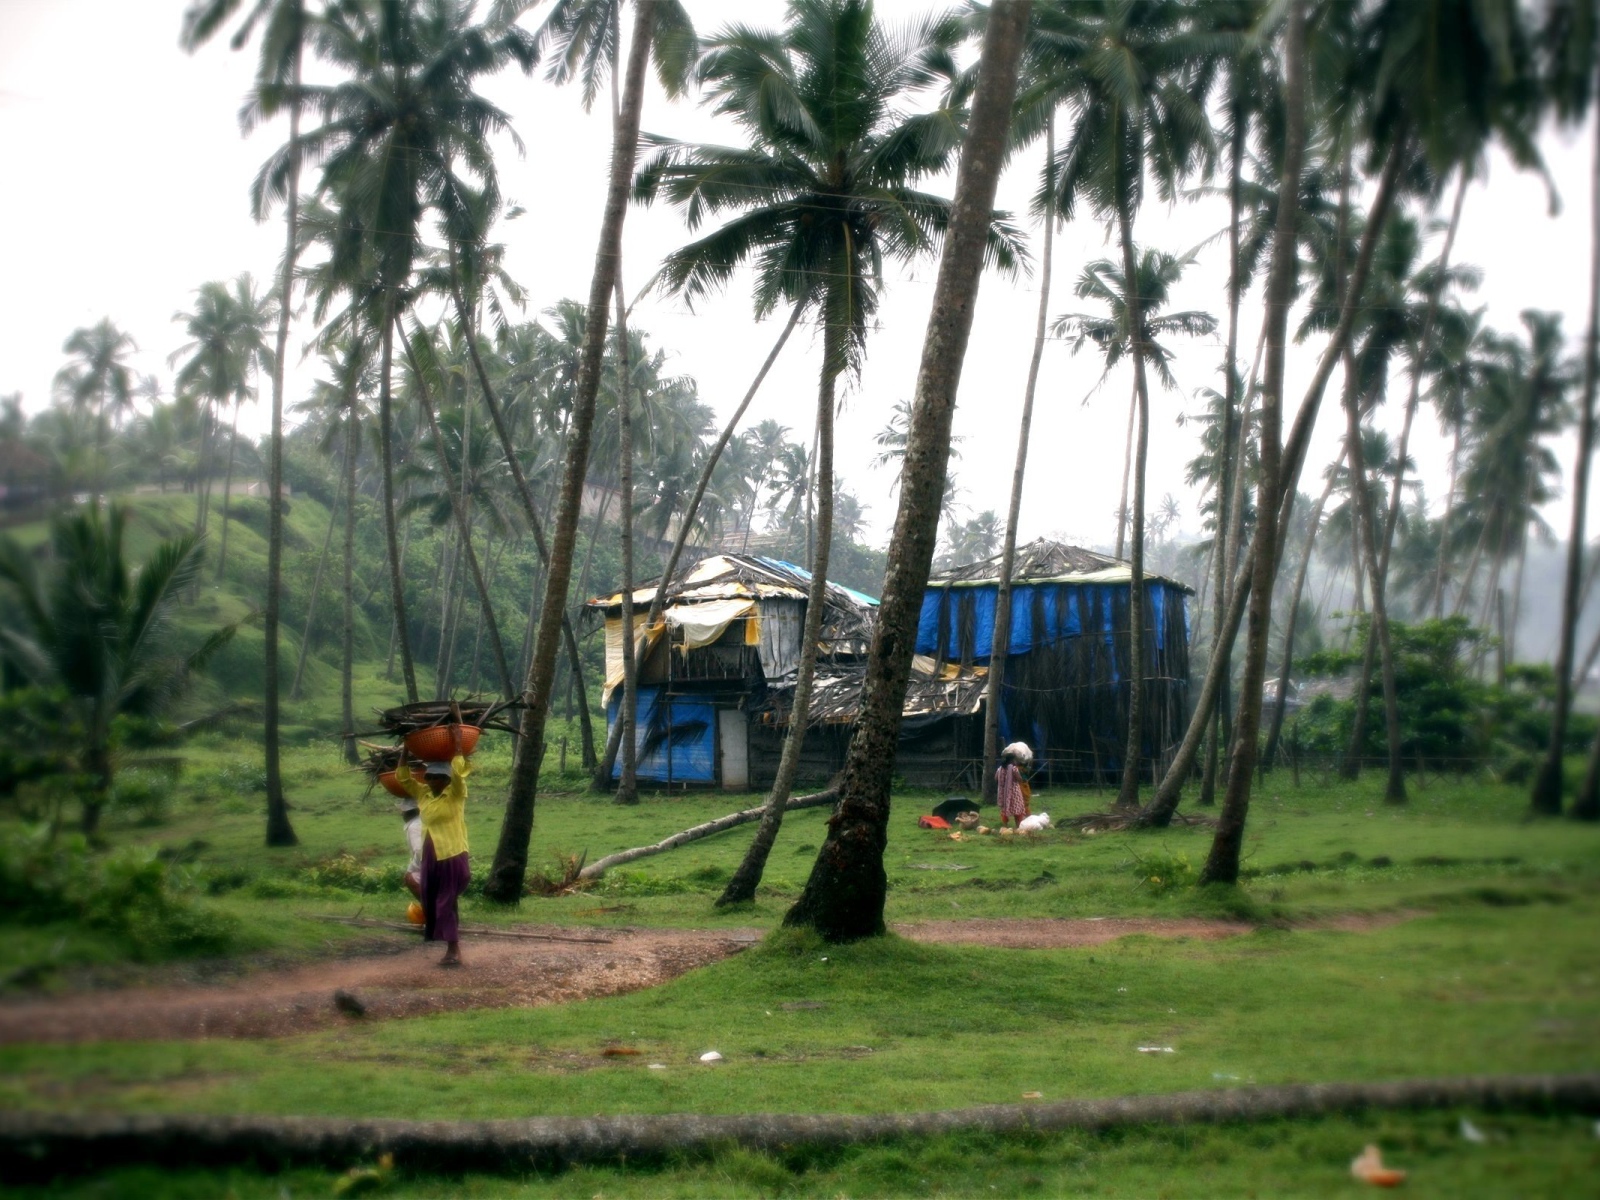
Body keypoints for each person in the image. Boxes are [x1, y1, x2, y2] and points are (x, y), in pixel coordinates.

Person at [394, 728, 472, 968]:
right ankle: (450, 944)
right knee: (431, 899)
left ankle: (454, 950)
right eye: (427, 776)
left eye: (434, 777)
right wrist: (406, 748)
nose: (428, 780)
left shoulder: (454, 795)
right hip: (431, 854)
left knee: (444, 902)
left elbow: (460, 773)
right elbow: (403, 778)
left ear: (445, 780)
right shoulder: (424, 795)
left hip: (451, 853)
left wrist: (458, 744)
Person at [995, 744, 1032, 830]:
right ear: (1012, 760)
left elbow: (996, 778)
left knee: (1004, 808)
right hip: (1014, 792)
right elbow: (1019, 778)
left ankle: (1004, 825)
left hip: (1003, 792)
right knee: (1017, 808)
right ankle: (1018, 825)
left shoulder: (1000, 768)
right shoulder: (1014, 768)